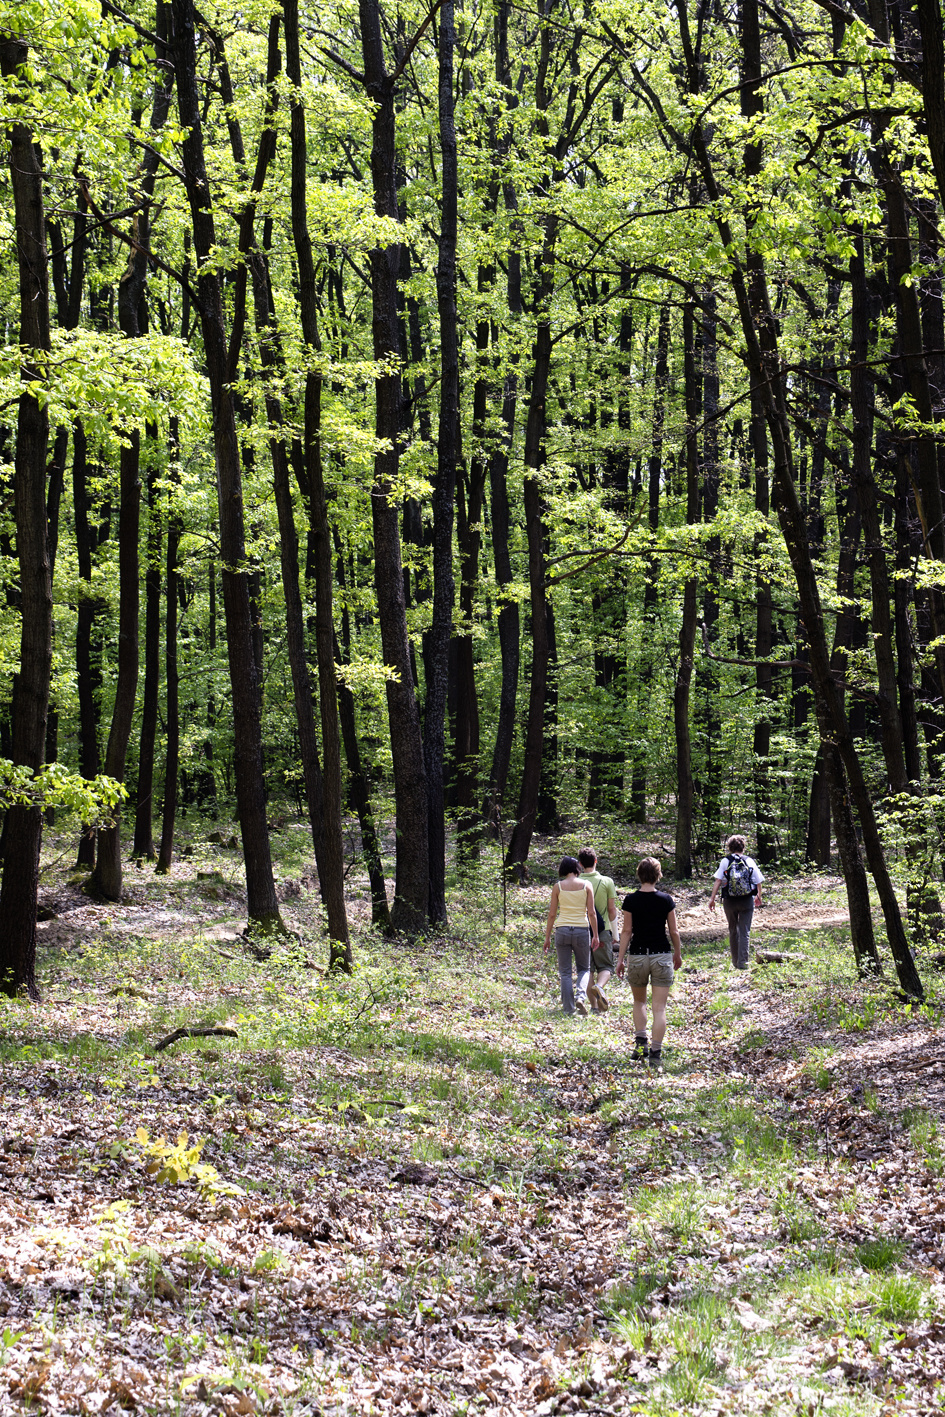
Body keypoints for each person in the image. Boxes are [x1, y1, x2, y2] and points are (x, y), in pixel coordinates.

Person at [616, 857, 682, 1070]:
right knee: (659, 1008)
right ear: (658, 875)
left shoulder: (630, 900)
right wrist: (678, 953)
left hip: (637, 956)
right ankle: (656, 1052)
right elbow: (673, 931)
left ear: (639, 875)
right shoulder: (666, 900)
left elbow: (626, 931)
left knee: (639, 1002)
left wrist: (620, 959)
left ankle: (640, 1043)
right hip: (661, 955)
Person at [543, 856, 599, 1016]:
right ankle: (580, 996)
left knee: (566, 972)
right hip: (581, 930)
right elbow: (591, 913)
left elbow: (552, 914)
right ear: (577, 869)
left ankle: (568, 1009)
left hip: (562, 930)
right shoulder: (587, 885)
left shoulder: (558, 887)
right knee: (584, 969)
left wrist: (547, 937)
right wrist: (595, 934)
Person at [708, 834, 765, 970]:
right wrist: (759, 896)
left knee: (733, 930)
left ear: (730, 847)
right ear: (743, 847)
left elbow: (718, 880)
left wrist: (712, 899)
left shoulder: (725, 861)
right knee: (744, 931)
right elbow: (758, 881)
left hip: (729, 900)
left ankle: (735, 962)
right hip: (746, 900)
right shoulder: (749, 861)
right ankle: (743, 963)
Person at [578, 846, 617, 1012]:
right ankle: (600, 987)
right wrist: (615, 933)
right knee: (606, 966)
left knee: (588, 970)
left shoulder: (575, 883)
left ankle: (594, 1007)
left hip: (580, 930)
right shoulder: (607, 882)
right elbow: (612, 910)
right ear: (595, 861)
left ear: (580, 864)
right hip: (602, 931)